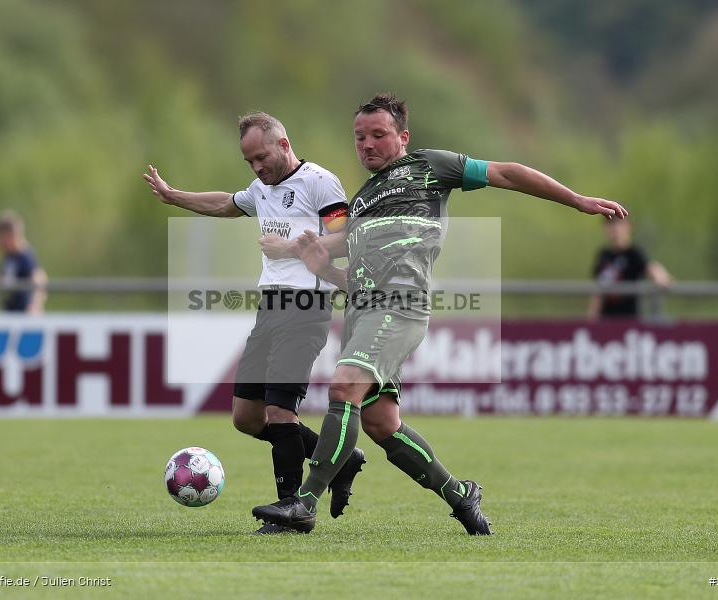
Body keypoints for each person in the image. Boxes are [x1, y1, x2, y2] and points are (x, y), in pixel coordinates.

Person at [252, 93, 628, 535]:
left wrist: (577, 200)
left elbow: (508, 172)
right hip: (364, 311)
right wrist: (321, 266)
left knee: (344, 387)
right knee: (381, 424)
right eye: (359, 137)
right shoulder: (360, 203)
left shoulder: (429, 167)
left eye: (378, 134)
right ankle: (460, 495)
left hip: (400, 307)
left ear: (403, 137)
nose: (367, 144)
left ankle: (305, 502)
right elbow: (355, 280)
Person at [142, 112, 365, 534]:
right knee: (247, 416)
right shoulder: (261, 189)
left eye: (261, 157)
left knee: (280, 411)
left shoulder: (319, 182)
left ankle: (292, 511)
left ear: (283, 144)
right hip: (271, 308)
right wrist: (174, 197)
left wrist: (291, 248)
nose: (257, 167)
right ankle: (340, 460)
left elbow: (346, 236)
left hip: (307, 306)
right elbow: (226, 203)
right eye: (249, 162)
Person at [588, 218, 672, 320]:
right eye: (610, 224)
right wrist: (592, 320)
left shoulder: (634, 253)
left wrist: (660, 276)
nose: (614, 228)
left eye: (618, 223)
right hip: (605, 320)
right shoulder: (603, 255)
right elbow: (597, 293)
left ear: (629, 226)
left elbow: (651, 267)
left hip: (629, 320)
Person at [0, 211, 47, 315]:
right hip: (11, 314)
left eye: (0, 237)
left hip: (22, 317)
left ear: (12, 235)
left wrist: (34, 307)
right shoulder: (9, 258)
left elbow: (39, 279)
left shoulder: (25, 256)